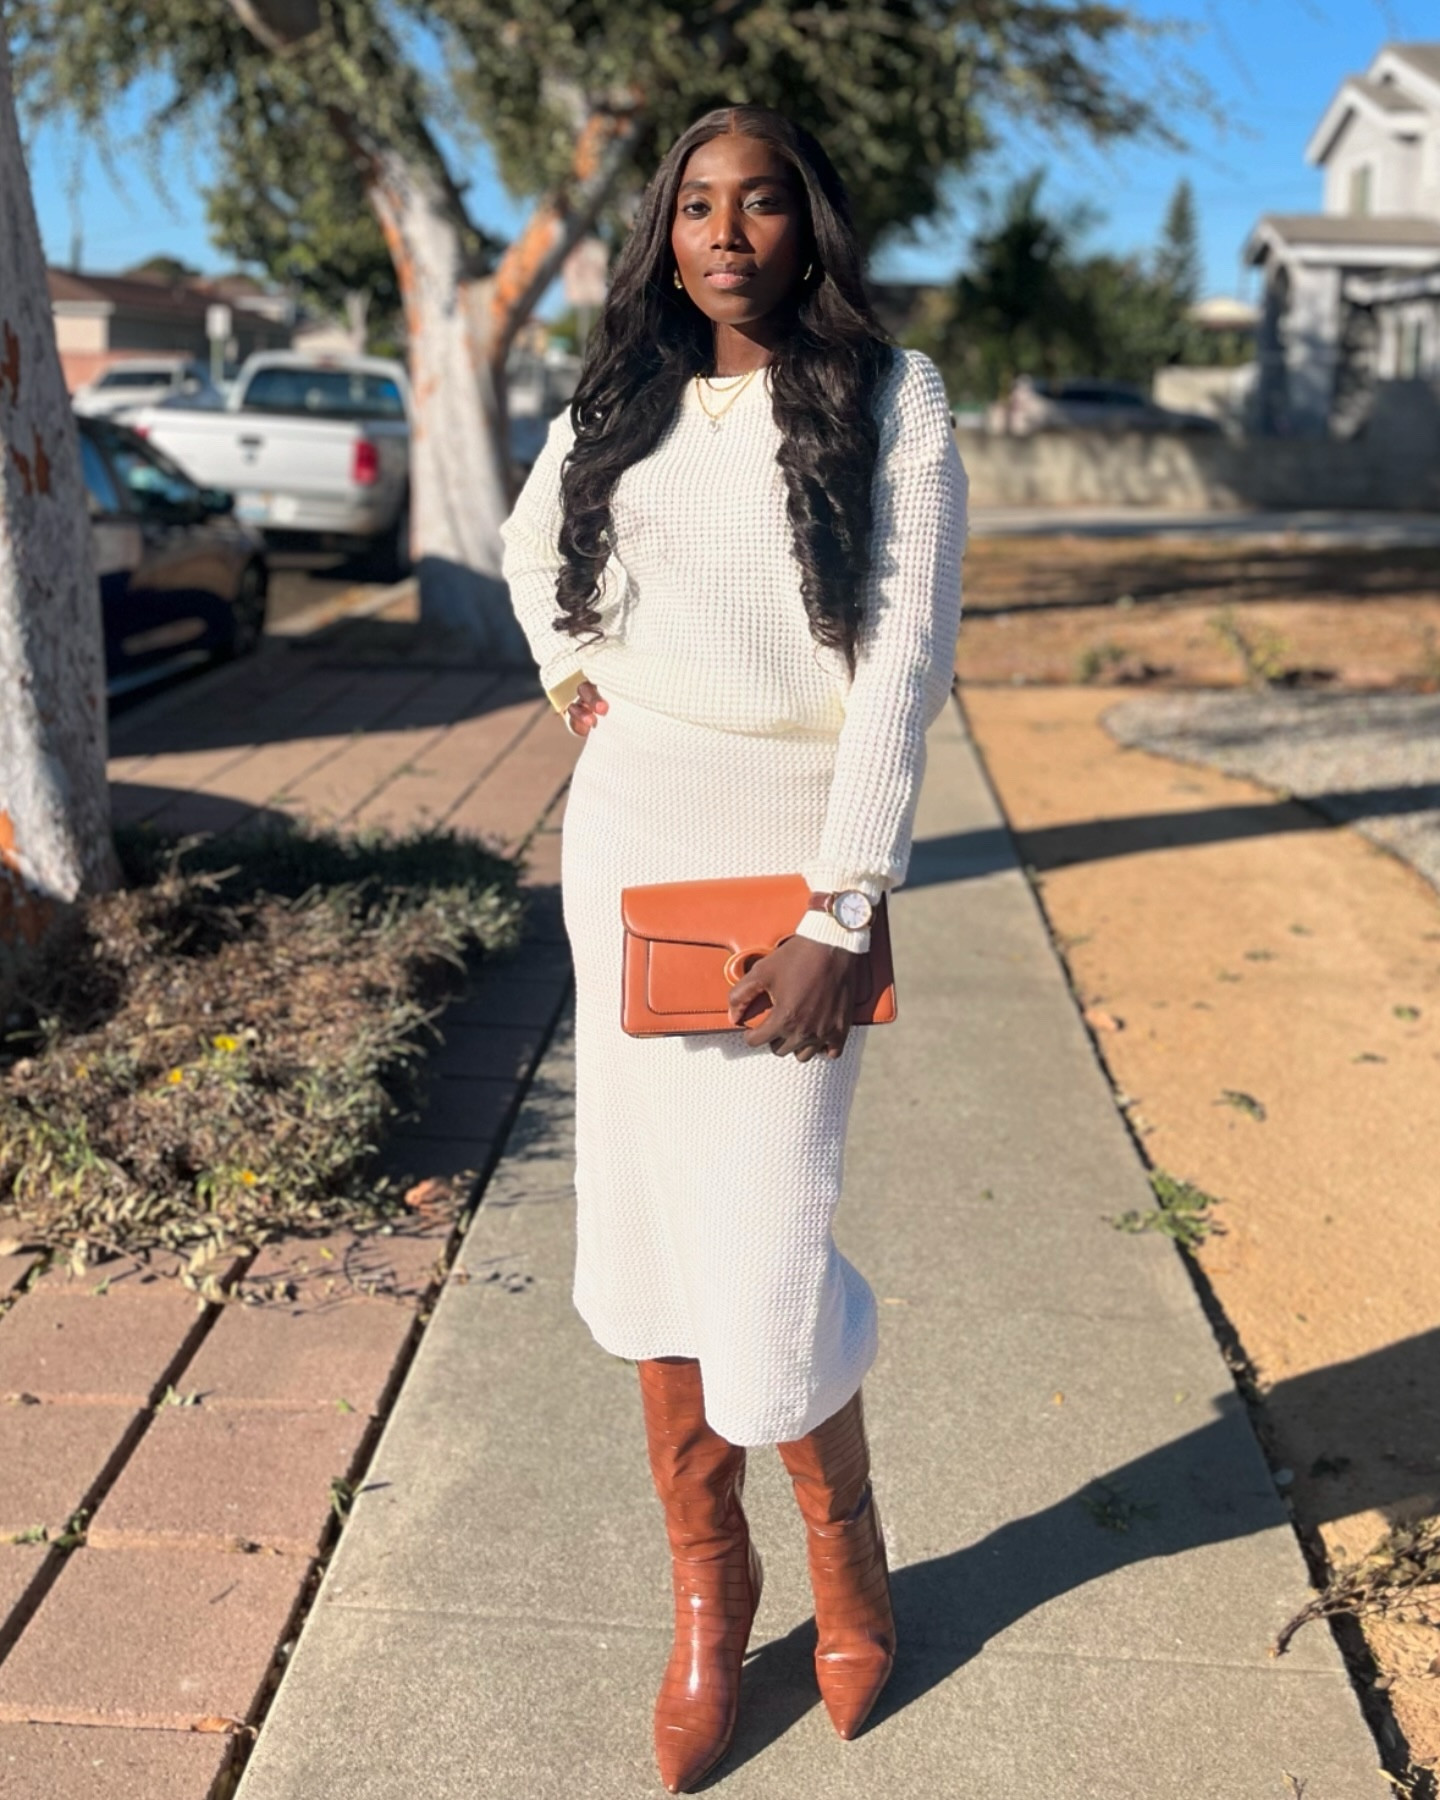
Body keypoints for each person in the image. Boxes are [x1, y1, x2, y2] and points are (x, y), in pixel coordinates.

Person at [500, 103, 966, 1794]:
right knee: (642, 1230)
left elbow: (903, 661)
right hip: (633, 838)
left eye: (761, 201)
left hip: (794, 853)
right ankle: (713, 1587)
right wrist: (578, 688)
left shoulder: (894, 397)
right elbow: (527, 552)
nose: (726, 231)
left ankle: (848, 1553)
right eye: (697, 204)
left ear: (807, 222)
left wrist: (844, 904)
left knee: (766, 1240)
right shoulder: (617, 398)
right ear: (666, 231)